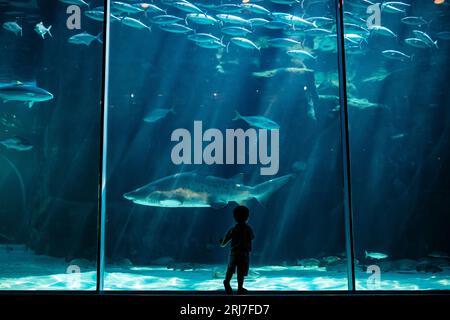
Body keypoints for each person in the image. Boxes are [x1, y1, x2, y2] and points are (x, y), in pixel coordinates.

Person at [219, 205, 255, 294]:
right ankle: (240, 288)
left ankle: (227, 282)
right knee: (241, 271)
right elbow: (252, 237)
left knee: (230, 269)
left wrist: (221, 243)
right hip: (244, 253)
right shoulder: (248, 228)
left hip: (234, 253)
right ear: (247, 217)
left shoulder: (233, 229)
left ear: (235, 217)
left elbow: (224, 243)